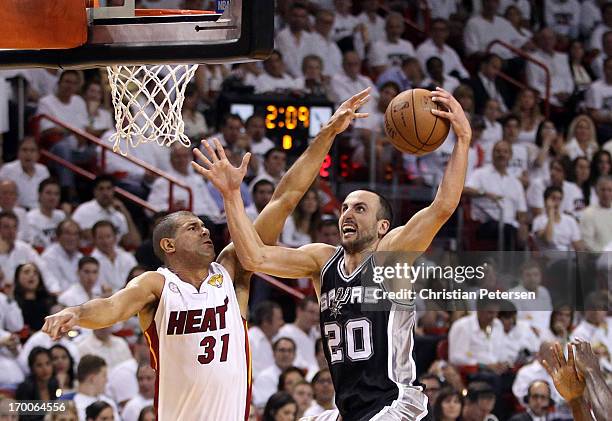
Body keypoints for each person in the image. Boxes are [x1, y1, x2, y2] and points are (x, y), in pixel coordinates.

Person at [42, 89, 374, 420]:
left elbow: (285, 197)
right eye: (191, 227)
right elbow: (112, 307)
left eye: (203, 225)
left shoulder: (231, 271)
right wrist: (77, 313)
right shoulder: (157, 285)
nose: (203, 231)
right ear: (168, 246)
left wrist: (328, 132)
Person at [194, 86, 471, 420]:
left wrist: (463, 138)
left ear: (383, 226)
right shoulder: (321, 261)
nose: (348, 214)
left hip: (392, 408)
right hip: (348, 410)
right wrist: (231, 195)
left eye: (360, 208)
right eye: (344, 207)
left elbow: (442, 206)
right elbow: (254, 257)